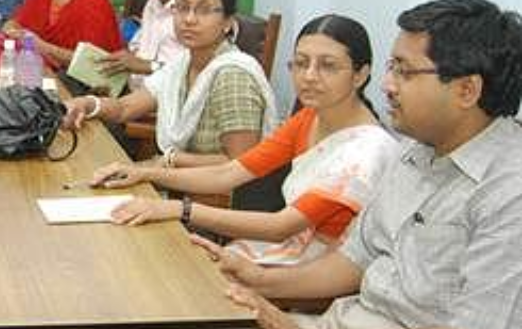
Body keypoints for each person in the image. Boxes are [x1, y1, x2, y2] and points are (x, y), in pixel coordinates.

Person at [57, 0, 522, 329]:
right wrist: (259, 280)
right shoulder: (417, 153)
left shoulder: (509, 190)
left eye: (404, 71)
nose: (388, 84)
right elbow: (350, 264)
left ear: (466, 89)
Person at [90, 14, 398, 265]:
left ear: (360, 75)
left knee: (163, 269)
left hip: (310, 272)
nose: (310, 76)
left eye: (327, 66)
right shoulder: (311, 117)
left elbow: (281, 227)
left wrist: (178, 210)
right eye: (301, 63)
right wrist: (145, 172)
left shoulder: (365, 152)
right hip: (277, 252)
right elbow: (229, 173)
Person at [64, 0, 277, 167]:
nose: (189, 19)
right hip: (178, 181)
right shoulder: (182, 64)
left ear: (228, 22)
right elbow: (124, 108)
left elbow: (240, 164)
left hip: (215, 201)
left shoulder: (233, 76)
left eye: (203, 10)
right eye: (182, 7)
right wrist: (88, 104)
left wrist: (164, 163)